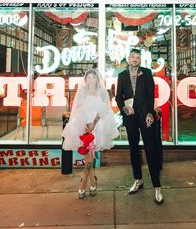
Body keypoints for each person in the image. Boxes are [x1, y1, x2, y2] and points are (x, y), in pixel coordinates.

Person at [115, 48, 164, 204]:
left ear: (140, 59)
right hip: (130, 117)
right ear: (128, 59)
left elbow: (151, 95)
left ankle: (157, 186)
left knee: (151, 149)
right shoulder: (122, 76)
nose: (135, 59)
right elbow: (118, 97)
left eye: (137, 57)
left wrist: (150, 113)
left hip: (145, 115)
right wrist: (124, 108)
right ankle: (138, 179)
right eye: (133, 57)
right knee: (133, 148)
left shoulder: (147, 72)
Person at [62, 69, 119, 199]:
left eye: (94, 77)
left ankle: (83, 182)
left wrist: (93, 123)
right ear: (85, 79)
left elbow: (105, 110)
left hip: (98, 126)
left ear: (97, 79)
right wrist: (83, 125)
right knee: (89, 156)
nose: (91, 80)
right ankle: (92, 181)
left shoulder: (103, 92)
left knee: (90, 156)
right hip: (84, 126)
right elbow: (78, 110)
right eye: (89, 77)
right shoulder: (82, 91)